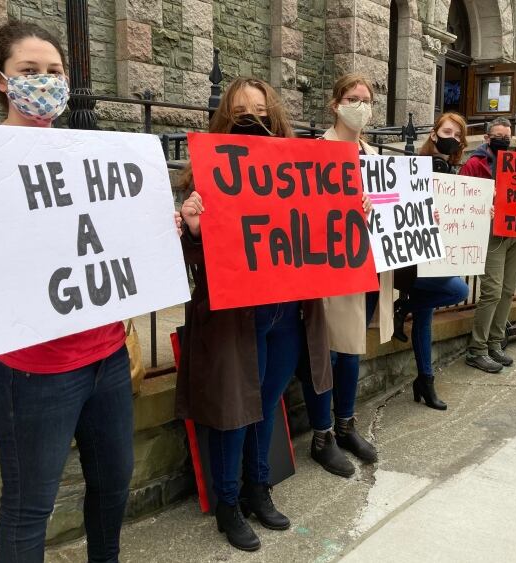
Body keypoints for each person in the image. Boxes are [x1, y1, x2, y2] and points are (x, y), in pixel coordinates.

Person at [0, 22, 168, 562]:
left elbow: (117, 232)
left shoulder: (92, 152)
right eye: (29, 72)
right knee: (29, 505)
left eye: (54, 72)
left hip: (106, 355)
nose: (45, 82)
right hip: (29, 371)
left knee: (113, 486)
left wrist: (160, 227)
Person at [174, 78, 334, 552]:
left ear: (275, 116)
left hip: (285, 311)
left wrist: (349, 210)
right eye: (241, 110)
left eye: (261, 110)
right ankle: (228, 503)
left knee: (265, 405)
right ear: (226, 117)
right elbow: (188, 262)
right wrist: (195, 230)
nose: (252, 118)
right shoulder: (203, 179)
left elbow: (316, 229)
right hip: (233, 316)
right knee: (233, 412)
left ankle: (257, 489)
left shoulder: (295, 169)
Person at [299, 73, 395, 477]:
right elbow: (301, 208)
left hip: (366, 263)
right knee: (327, 352)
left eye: (367, 99)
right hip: (328, 265)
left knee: (352, 348)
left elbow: (392, 203)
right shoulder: (317, 151)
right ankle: (322, 436)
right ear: (335, 104)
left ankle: (345, 425)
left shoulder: (374, 156)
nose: (361, 105)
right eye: (353, 98)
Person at [391, 112, 470, 409]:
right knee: (459, 290)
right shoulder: (411, 167)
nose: (453, 138)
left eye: (458, 135)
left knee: (425, 317)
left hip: (436, 254)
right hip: (411, 257)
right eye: (447, 131)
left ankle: (425, 381)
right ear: (434, 133)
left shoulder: (451, 173)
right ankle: (402, 307)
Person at [461, 117, 516, 374]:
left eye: (507, 138)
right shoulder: (474, 164)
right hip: (491, 234)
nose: (502, 141)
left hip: (515, 233)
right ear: (487, 138)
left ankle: (495, 343)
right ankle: (477, 349)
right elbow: (462, 198)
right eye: (498, 136)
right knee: (493, 290)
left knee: (508, 290)